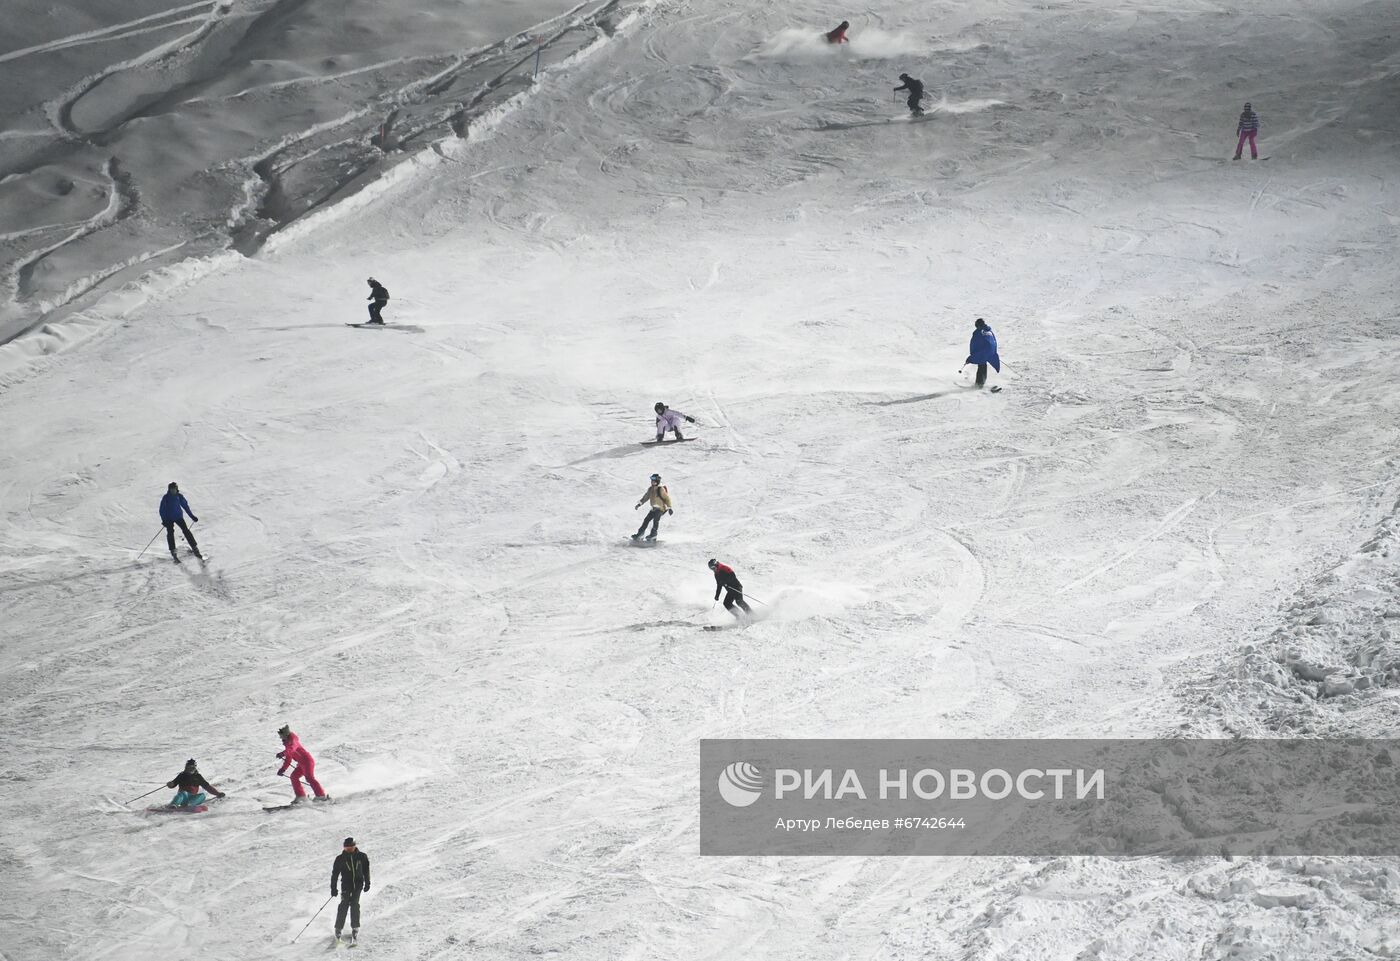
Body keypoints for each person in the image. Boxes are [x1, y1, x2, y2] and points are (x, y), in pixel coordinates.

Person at [331, 837, 371, 944]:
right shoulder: (340, 858)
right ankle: (338, 928)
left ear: (354, 846)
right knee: (344, 904)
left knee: (354, 904)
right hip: (346, 886)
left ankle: (355, 927)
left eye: (350, 847)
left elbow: (366, 870)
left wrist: (367, 882)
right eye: (346, 847)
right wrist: (333, 888)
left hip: (358, 885)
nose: (348, 849)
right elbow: (335, 874)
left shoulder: (362, 856)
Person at [276, 725, 329, 802]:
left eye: (281, 736)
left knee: (309, 778)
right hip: (301, 763)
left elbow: (292, 749)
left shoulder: (293, 741)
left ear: (286, 735)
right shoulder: (287, 744)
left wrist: (283, 753)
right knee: (294, 776)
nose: (280, 738)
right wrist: (283, 769)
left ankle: (321, 796)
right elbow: (289, 758)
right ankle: (301, 796)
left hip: (307, 761)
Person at [159, 482, 201, 563]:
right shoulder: (166, 498)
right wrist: (164, 520)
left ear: (176, 489)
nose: (173, 491)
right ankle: (173, 551)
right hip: (169, 519)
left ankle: (194, 547)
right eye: (171, 489)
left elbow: (185, 507)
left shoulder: (179, 496)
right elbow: (162, 510)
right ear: (169, 490)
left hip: (178, 517)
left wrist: (192, 516)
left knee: (186, 530)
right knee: (170, 533)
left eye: (174, 489)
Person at [632, 473, 673, 542]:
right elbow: (646, 497)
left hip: (660, 509)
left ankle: (653, 535)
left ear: (657, 481)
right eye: (651, 480)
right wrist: (639, 504)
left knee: (655, 521)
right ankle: (640, 534)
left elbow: (667, 498)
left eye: (654, 481)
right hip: (654, 509)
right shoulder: (650, 489)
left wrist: (670, 508)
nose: (652, 482)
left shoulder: (660, 489)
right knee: (646, 520)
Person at [965, 318, 1001, 389]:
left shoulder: (978, 332)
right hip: (991, 350)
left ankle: (979, 385)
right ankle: (981, 382)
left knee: (981, 364)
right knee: (983, 364)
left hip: (983, 351)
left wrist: (972, 356)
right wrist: (993, 352)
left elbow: (974, 343)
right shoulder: (989, 331)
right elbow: (994, 341)